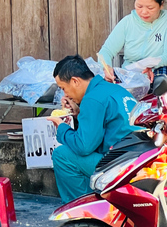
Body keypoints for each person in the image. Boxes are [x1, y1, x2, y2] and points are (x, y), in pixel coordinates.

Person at [48, 55, 138, 203]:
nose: (65, 94)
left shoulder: (92, 98)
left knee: (61, 155)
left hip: (120, 165)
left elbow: (84, 146)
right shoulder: (114, 89)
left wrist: (62, 128)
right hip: (136, 158)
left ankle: (81, 210)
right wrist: (79, 114)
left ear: (75, 81)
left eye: (63, 88)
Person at [98, 0, 167, 93]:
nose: (144, 12)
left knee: (162, 79)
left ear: (161, 5)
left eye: (150, 8)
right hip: (130, 75)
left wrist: (150, 66)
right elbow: (106, 51)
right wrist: (107, 68)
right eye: (139, 6)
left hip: (157, 71)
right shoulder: (127, 22)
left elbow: (165, 56)